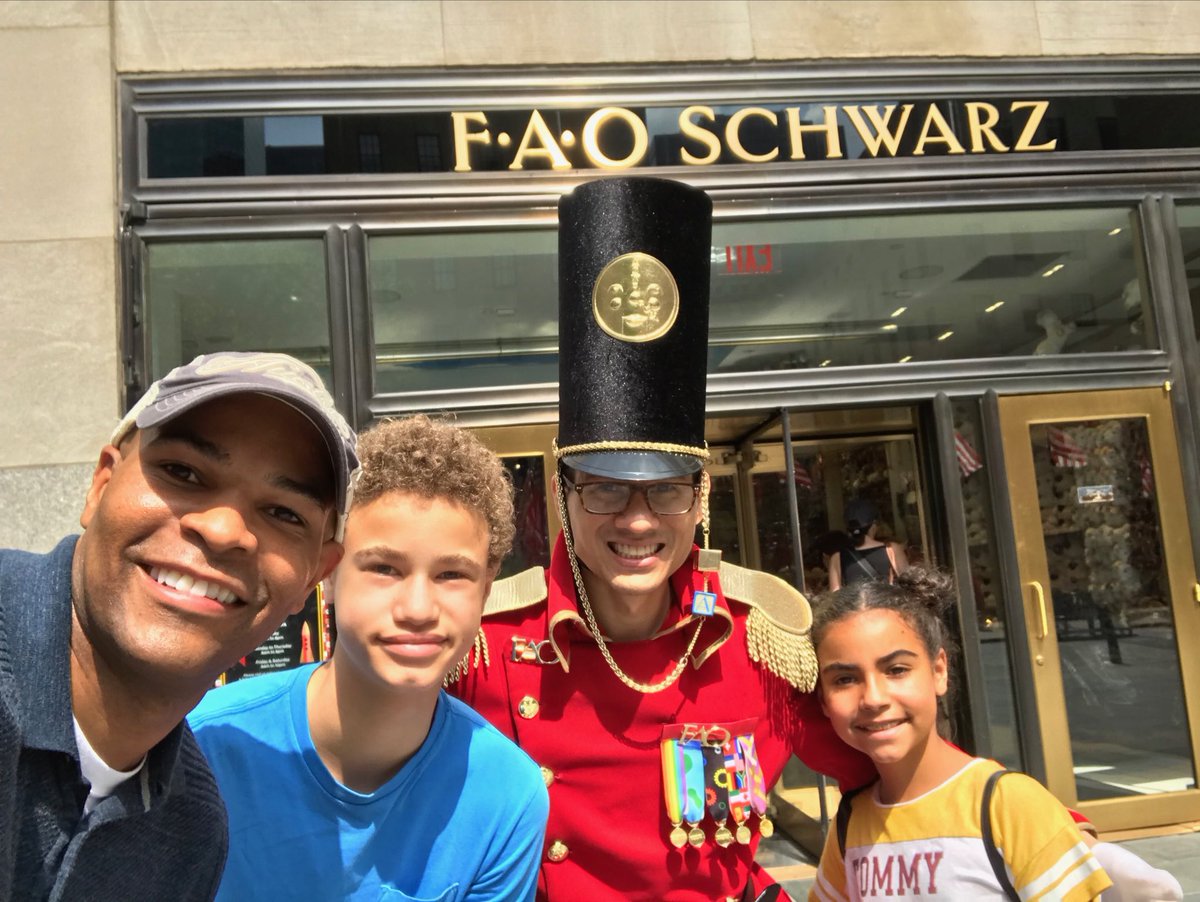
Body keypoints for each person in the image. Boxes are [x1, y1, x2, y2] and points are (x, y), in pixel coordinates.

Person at [450, 176, 876, 902]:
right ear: (563, 494)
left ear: (700, 497)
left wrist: (1016, 819)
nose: (639, 520)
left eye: (667, 491)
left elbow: (885, 772)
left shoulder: (760, 640)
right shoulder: (483, 643)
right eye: (605, 489)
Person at [0, 351, 358, 901]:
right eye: (183, 472)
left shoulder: (192, 831)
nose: (223, 530)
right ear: (100, 485)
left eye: (284, 513)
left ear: (316, 575)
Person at [189, 415, 550, 901]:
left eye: (451, 575)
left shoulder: (506, 795)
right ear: (328, 572)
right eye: (384, 568)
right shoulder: (203, 744)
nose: (418, 610)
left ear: (486, 587)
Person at [808, 567, 1113, 901]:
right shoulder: (850, 823)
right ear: (823, 699)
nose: (874, 698)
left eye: (896, 670)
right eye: (845, 680)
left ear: (939, 670)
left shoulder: (1007, 805)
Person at [826, 499, 908, 591]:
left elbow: (835, 594)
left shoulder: (837, 557)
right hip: (885, 600)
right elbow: (908, 586)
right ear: (873, 525)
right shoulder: (892, 549)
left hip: (855, 601)